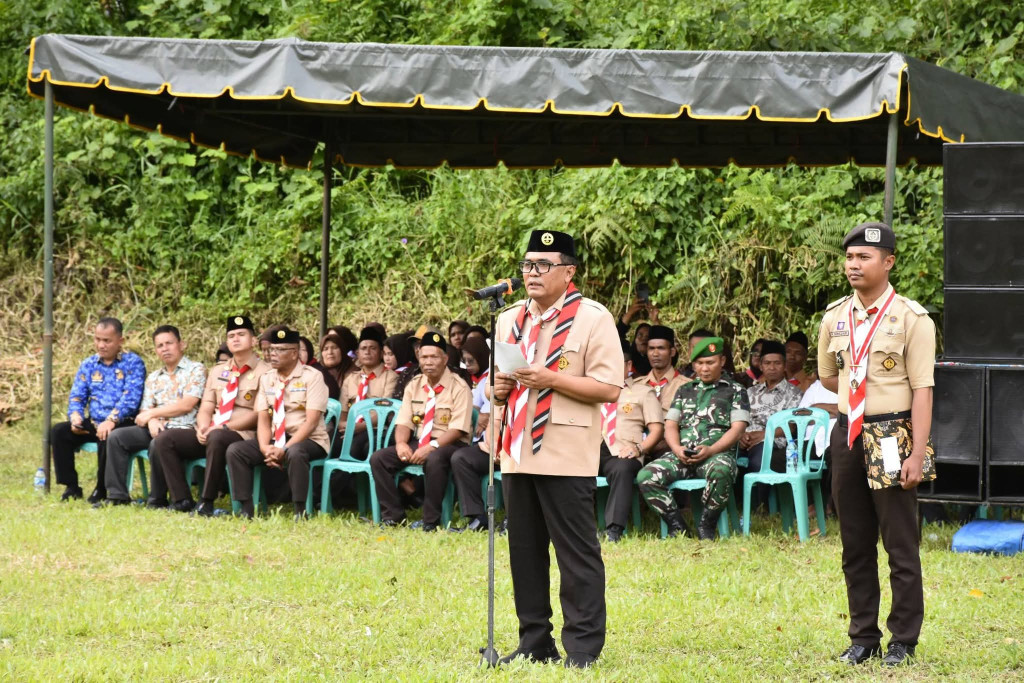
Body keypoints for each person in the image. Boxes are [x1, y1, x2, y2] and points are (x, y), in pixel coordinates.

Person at [490, 229, 623, 669]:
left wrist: (552, 379)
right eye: (528, 264)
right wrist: (499, 392)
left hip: (565, 448)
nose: (532, 273)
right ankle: (534, 641)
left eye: (543, 265)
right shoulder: (509, 318)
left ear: (569, 271)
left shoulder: (592, 318)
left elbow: (608, 387)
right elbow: (499, 389)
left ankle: (583, 648)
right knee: (523, 551)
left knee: (576, 553)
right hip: (517, 448)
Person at [816, 221, 935, 667]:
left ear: (888, 262)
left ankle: (903, 638)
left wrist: (917, 452)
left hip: (893, 434)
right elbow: (829, 375)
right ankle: (863, 637)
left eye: (863, 257)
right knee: (854, 542)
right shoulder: (834, 316)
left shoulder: (911, 318)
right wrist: (854, 393)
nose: (853, 265)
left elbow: (923, 387)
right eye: (849, 257)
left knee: (900, 542)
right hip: (848, 433)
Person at [153, 315, 271, 516]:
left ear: (253, 341)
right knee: (165, 439)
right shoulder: (217, 371)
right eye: (231, 335)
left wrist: (224, 427)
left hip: (243, 433)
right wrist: (202, 426)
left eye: (241, 335)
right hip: (213, 429)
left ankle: (206, 501)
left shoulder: (266, 372)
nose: (235, 339)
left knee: (218, 437)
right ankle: (182, 499)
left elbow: (259, 414)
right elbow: (207, 406)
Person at [637, 337, 749, 540]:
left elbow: (738, 429)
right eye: (699, 363)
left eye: (710, 362)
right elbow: (670, 424)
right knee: (646, 475)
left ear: (722, 361)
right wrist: (677, 448)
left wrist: (711, 450)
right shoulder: (684, 390)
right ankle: (677, 526)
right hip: (683, 455)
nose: (704, 368)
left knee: (722, 470)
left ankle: (707, 524)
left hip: (716, 456)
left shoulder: (736, 390)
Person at [369, 333, 473, 530]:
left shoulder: (459, 387)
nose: (429, 362)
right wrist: (400, 444)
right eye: (424, 357)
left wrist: (432, 446)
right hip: (419, 441)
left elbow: (458, 429)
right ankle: (393, 517)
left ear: (445, 359)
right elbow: (404, 422)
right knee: (379, 459)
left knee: (435, 458)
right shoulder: (414, 384)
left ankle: (430, 521)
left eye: (434, 357)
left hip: (450, 443)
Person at [226, 327, 330, 520]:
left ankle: (300, 510)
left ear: (294, 353)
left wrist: (284, 448)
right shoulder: (267, 378)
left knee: (296, 452)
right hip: (275, 439)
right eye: (272, 350)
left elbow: (311, 422)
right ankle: (246, 508)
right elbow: (263, 418)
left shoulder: (312, 377)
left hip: (308, 438)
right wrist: (266, 447)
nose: (273, 355)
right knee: (236, 450)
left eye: (280, 350)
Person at [98, 325, 205, 509]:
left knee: (159, 442)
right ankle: (117, 495)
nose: (165, 348)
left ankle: (158, 499)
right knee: (117, 437)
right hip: (157, 428)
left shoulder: (196, 369)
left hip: (185, 430)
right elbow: (143, 413)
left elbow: (187, 404)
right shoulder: (154, 377)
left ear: (181, 344)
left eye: (169, 343)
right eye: (160, 345)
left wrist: (153, 414)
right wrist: (152, 421)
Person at [50, 318, 146, 503]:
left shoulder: (133, 363)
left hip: (121, 421)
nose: (101, 345)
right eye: (97, 339)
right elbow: (77, 396)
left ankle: (101, 489)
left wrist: (112, 419)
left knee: (107, 435)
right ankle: (71, 486)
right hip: (94, 420)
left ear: (121, 341)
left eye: (107, 340)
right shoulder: (88, 364)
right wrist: (75, 416)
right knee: (59, 432)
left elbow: (131, 398)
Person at [598, 347, 663, 542]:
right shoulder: (594, 390)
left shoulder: (643, 392)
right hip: (592, 450)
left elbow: (657, 430)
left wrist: (640, 448)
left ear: (628, 365)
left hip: (623, 451)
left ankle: (613, 530)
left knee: (622, 469)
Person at [736, 340, 802, 510]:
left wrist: (764, 435)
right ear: (760, 365)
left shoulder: (794, 394)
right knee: (725, 451)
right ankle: (731, 505)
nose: (772, 367)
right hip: (745, 438)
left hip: (775, 441)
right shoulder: (750, 392)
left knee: (761, 454)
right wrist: (741, 435)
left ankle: (759, 507)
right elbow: (739, 419)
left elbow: (792, 426)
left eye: (777, 363)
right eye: (767, 363)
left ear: (785, 365)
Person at [450, 337, 499, 532]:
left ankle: (512, 520)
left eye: (472, 360)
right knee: (461, 458)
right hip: (488, 443)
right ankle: (478, 518)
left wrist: (487, 415)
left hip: (511, 445)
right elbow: (475, 408)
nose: (468, 365)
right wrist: (481, 416)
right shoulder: (485, 381)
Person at [337, 326, 399, 458]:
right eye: (363, 348)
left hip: (376, 429)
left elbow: (386, 411)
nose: (367, 352)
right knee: (330, 443)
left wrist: (362, 426)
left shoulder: (390, 377)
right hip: (350, 428)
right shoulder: (351, 378)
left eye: (373, 348)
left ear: (381, 353)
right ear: (358, 353)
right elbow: (342, 412)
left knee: (353, 448)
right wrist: (345, 425)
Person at [640, 325, 689, 454]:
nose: (655, 353)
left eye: (661, 348)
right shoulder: (637, 386)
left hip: (671, 449)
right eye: (651, 348)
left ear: (672, 352)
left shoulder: (688, 386)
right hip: (638, 448)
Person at [300, 335, 340, 400]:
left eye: (302, 349)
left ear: (309, 351)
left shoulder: (319, 373)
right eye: (294, 349)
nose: (298, 353)